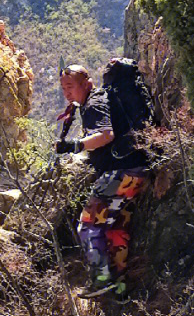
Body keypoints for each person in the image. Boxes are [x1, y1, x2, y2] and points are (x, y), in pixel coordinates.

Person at [56, 63, 149, 299]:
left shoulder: (95, 103)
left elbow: (107, 135)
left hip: (118, 173)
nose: (67, 93)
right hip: (136, 172)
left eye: (70, 87)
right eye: (63, 89)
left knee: (88, 224)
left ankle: (101, 279)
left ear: (86, 84)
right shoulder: (96, 101)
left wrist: (75, 145)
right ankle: (119, 286)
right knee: (114, 227)